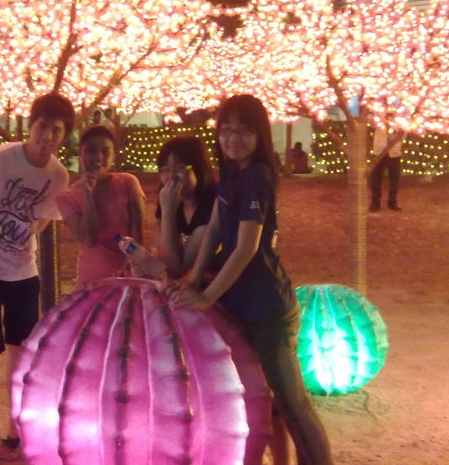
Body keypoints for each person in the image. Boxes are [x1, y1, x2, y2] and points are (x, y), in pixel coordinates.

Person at [170, 94, 333, 465]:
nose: (233, 139)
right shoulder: (231, 170)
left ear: (260, 134)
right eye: (226, 130)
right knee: (259, 398)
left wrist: (206, 296)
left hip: (268, 311)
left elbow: (246, 247)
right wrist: (193, 278)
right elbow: (215, 227)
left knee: (292, 405)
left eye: (243, 131)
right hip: (240, 304)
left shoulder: (257, 177)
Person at [0, 93, 75, 465]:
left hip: (24, 274)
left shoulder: (58, 175)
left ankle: (15, 426)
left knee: (22, 355)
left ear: (64, 136)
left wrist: (23, 238)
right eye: (42, 126)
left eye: (57, 130)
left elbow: (42, 219)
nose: (47, 136)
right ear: (30, 124)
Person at [57, 125, 145, 287]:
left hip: (128, 275)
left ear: (113, 155)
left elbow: (137, 233)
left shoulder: (128, 182)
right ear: (80, 153)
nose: (98, 157)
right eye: (91, 151)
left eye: (105, 151)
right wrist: (88, 196)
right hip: (92, 279)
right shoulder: (66, 197)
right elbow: (89, 239)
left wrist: (132, 265)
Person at [155, 135, 217, 280]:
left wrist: (168, 212)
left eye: (180, 168)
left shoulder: (212, 202)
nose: (172, 177)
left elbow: (176, 269)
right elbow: (162, 255)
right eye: (165, 170)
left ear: (199, 168)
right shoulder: (168, 197)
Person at [370, 126, 403, 212]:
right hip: (379, 151)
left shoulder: (399, 120)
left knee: (394, 178)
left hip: (394, 152)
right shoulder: (379, 119)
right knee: (376, 178)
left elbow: (403, 134)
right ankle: (375, 203)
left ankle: (393, 202)